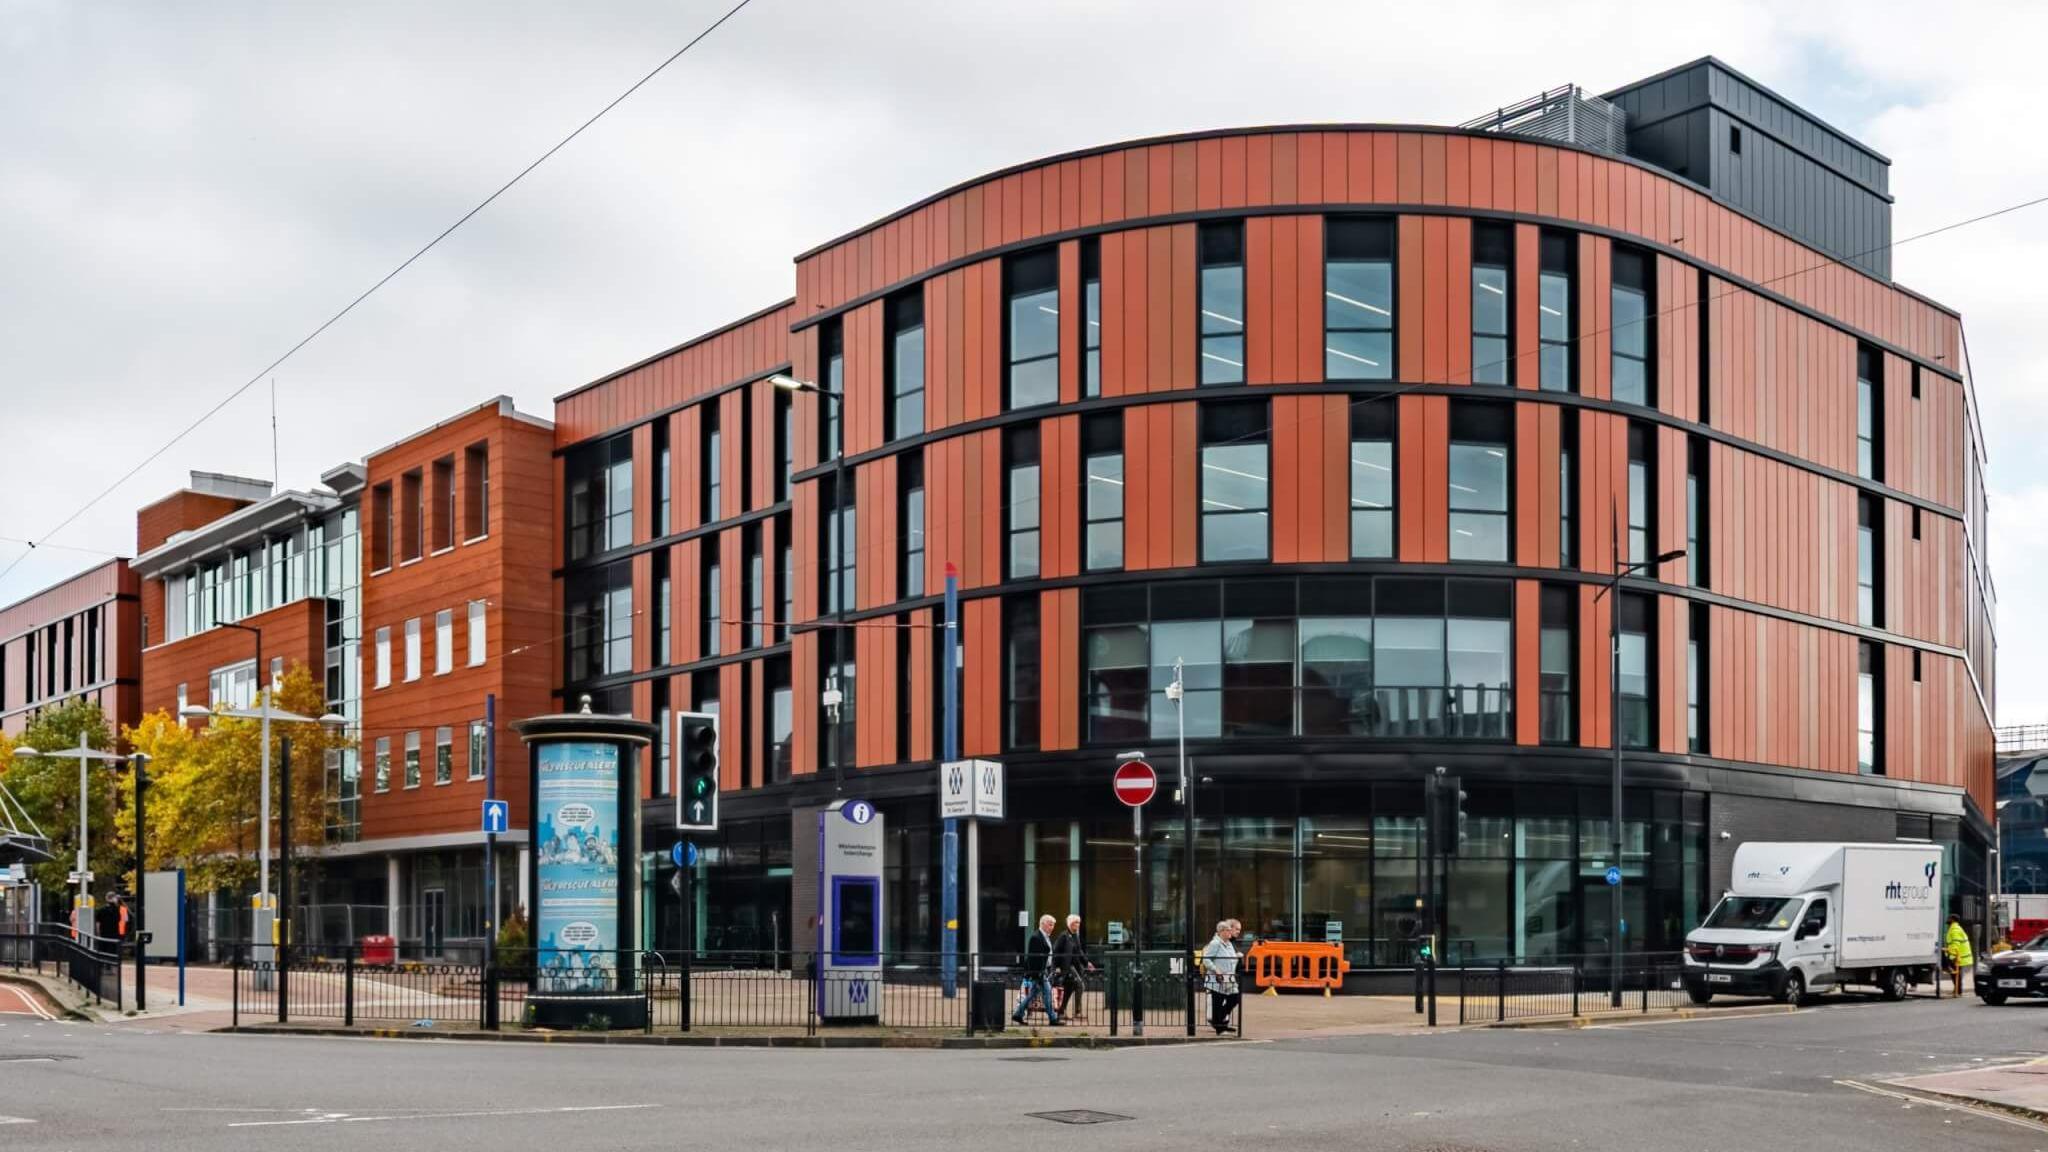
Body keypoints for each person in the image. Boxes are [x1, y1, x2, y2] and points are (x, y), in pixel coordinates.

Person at [1013, 914, 1062, 1026]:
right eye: (1050, 925)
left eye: (1053, 925)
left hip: (1042, 971)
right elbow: (1033, 958)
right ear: (1043, 924)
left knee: (1033, 995)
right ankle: (1053, 1018)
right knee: (1047, 994)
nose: (1052, 927)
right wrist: (1037, 973)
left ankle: (1018, 1014)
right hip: (1039, 972)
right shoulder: (1036, 937)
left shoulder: (1045, 936)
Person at [1052, 914, 1094, 1021]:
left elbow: (1079, 951)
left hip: (1074, 967)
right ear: (1070, 924)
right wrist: (1056, 967)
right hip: (1066, 967)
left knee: (1069, 989)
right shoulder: (1064, 936)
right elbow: (1056, 952)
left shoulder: (1075, 936)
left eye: (1079, 922)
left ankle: (1061, 1011)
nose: (1078, 925)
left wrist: (1087, 963)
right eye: (1076, 922)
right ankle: (1077, 1012)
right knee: (1080, 985)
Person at [1202, 919, 1241, 1035]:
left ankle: (1219, 1021)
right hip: (1217, 979)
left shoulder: (1229, 944)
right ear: (1221, 931)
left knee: (1234, 998)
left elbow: (1230, 958)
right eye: (1228, 930)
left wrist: (1237, 957)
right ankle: (1220, 1027)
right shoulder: (1215, 943)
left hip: (1229, 977)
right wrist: (1215, 969)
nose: (1230, 932)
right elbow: (1206, 959)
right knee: (1217, 1002)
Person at [1945, 914, 1975, 996]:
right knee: (1955, 974)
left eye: (1949, 918)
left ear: (1953, 919)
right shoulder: (1955, 928)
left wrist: (1952, 956)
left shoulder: (1955, 929)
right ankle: (1957, 990)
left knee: (1955, 974)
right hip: (1959, 955)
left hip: (1958, 956)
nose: (1947, 919)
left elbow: (1955, 944)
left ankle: (1958, 991)